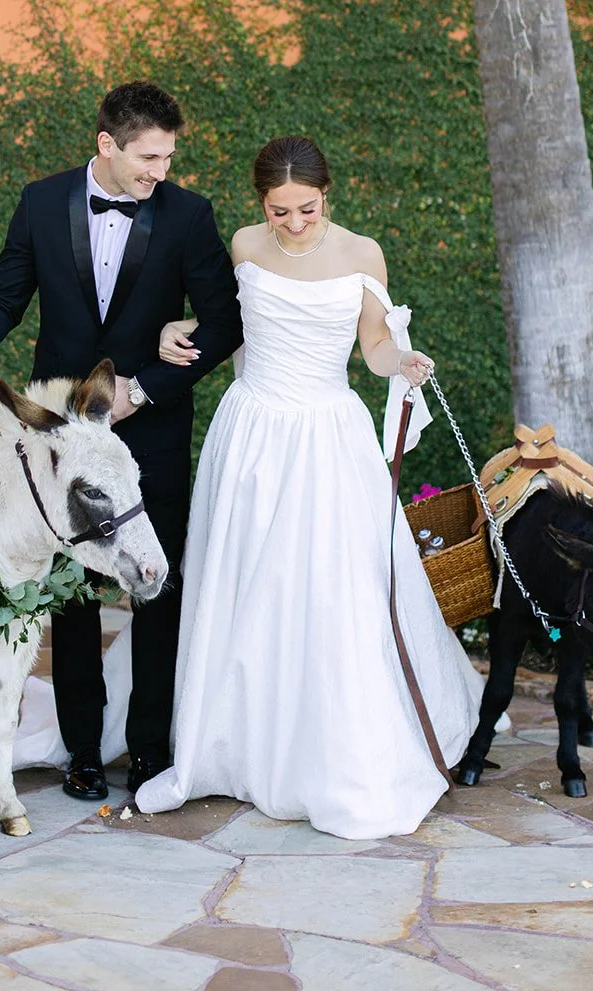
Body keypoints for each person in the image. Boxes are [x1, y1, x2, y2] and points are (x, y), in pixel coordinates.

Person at [134, 135, 484, 839]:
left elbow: (372, 346)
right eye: (279, 210)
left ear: (327, 195)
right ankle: (231, 743)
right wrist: (180, 326)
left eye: (307, 209)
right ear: (260, 204)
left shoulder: (362, 254)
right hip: (252, 432)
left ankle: (329, 748)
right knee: (247, 581)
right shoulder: (243, 244)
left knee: (329, 584)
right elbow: (231, 326)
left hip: (327, 433)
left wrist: (401, 360)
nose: (293, 223)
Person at [0, 82, 242, 802]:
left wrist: (145, 387)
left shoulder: (188, 215)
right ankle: (80, 748)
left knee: (155, 586)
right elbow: (6, 295)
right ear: (107, 144)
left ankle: (151, 750)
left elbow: (225, 321)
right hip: (57, 442)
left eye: (167, 157)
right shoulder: (42, 202)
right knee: (68, 595)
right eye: (148, 157)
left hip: (152, 435)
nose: (161, 170)